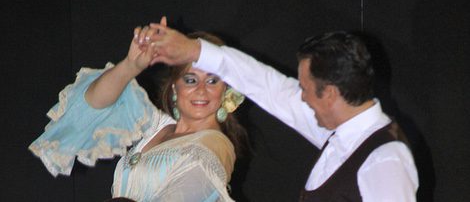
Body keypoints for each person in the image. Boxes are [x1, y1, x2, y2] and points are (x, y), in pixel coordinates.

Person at [146, 23, 419, 201]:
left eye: (304, 88)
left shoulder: (384, 159)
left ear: (331, 94)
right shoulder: (339, 130)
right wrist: (194, 50)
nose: (299, 96)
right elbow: (268, 86)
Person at [29, 20, 248, 201]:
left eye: (212, 81)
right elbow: (92, 105)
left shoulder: (214, 146)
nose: (201, 90)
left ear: (226, 90)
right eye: (190, 80)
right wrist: (132, 65)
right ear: (175, 87)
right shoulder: (156, 125)